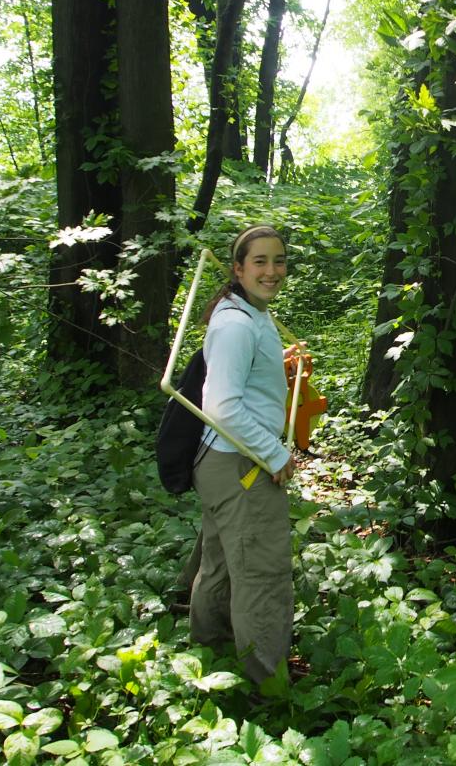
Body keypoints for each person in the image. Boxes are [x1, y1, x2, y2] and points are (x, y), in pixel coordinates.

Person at [188, 225, 297, 684]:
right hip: (241, 467)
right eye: (260, 262)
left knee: (221, 568)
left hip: (220, 465)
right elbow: (222, 406)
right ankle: (265, 692)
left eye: (278, 261)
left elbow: (244, 380)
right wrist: (274, 455)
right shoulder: (235, 323)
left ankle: (209, 665)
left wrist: (279, 360)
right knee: (262, 577)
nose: (271, 271)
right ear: (237, 268)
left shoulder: (250, 313)